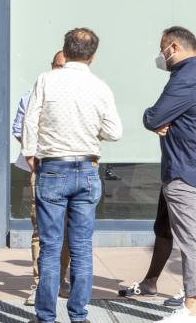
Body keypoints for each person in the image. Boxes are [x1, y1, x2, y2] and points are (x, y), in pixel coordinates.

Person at [22, 28, 123, 323]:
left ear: (65, 50)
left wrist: (31, 152)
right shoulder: (100, 87)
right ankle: (79, 316)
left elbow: (31, 119)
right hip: (87, 168)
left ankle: (46, 317)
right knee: (81, 248)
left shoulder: (46, 80)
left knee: (51, 248)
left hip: (53, 166)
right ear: (92, 55)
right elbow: (114, 132)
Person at [143, 26, 196, 322]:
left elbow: (154, 115)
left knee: (190, 242)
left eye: (162, 47)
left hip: (185, 171)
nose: (160, 54)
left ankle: (191, 306)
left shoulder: (185, 77)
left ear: (174, 47)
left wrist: (156, 120)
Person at [12, 50, 71, 306]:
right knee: (41, 230)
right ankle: (38, 283)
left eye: (65, 67)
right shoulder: (34, 94)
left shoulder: (79, 96)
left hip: (73, 170)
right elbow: (19, 129)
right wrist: (34, 160)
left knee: (69, 230)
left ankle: (59, 280)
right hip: (42, 170)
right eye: (57, 66)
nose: (61, 71)